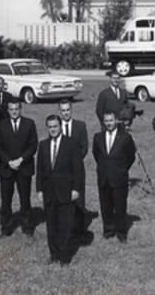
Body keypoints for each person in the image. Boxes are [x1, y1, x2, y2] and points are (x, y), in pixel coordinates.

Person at [36, 115, 84, 265]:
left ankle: (64, 256)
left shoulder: (71, 144)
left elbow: (78, 169)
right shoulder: (43, 145)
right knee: (51, 225)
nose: (53, 129)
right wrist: (39, 190)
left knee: (65, 225)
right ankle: (54, 254)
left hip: (65, 191)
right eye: (50, 127)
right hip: (49, 192)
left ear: (60, 126)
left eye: (55, 126)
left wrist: (76, 189)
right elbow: (40, 170)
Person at [0, 101, 38, 237]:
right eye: (11, 109)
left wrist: (21, 160)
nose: (14, 111)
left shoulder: (29, 124)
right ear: (8, 110)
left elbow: (33, 145)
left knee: (25, 199)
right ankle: (6, 227)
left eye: (16, 109)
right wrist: (9, 161)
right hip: (7, 168)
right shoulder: (1, 125)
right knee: (6, 199)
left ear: (20, 109)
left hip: (24, 167)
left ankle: (27, 227)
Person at [92, 111, 136, 242]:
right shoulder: (98, 137)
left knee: (120, 206)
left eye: (111, 120)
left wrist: (121, 169)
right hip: (104, 177)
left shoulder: (125, 137)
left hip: (119, 177)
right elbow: (96, 155)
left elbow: (131, 156)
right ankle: (108, 230)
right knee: (105, 205)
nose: (109, 123)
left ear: (116, 120)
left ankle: (121, 232)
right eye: (106, 121)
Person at [58, 98, 91, 241]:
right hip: (61, 171)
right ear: (59, 112)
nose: (66, 113)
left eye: (68, 110)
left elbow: (84, 147)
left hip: (77, 170)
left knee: (79, 201)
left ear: (71, 110)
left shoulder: (80, 126)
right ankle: (65, 230)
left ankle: (80, 230)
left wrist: (74, 162)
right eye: (63, 110)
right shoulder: (56, 126)